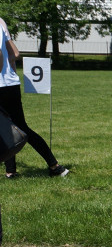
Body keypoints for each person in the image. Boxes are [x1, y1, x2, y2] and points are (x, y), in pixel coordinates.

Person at [1, 17, 70, 178]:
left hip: (2, 85)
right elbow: (15, 53)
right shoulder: (1, 22)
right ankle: (53, 165)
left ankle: (12, 171)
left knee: (6, 129)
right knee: (19, 128)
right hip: (11, 84)